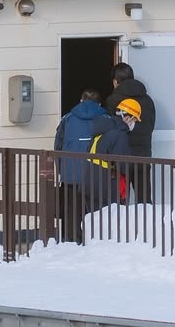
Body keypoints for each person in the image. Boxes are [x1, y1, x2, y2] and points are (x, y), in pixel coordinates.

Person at [53, 89, 105, 243]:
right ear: (99, 103)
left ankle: (71, 239)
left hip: (70, 174)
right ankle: (93, 240)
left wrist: (62, 168)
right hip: (95, 173)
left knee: (71, 210)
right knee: (95, 210)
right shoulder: (105, 118)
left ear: (81, 101)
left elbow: (58, 146)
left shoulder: (67, 119)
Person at [105, 62, 156, 201]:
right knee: (144, 200)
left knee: (119, 198)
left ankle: (121, 223)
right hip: (143, 156)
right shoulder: (148, 100)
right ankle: (146, 223)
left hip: (121, 157)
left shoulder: (112, 100)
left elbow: (109, 129)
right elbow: (150, 126)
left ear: (116, 82)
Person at [80, 99, 136, 223]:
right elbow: (123, 165)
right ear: (127, 117)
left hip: (89, 179)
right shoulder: (120, 134)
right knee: (109, 223)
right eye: (134, 119)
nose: (134, 123)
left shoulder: (102, 128)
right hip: (106, 184)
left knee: (93, 221)